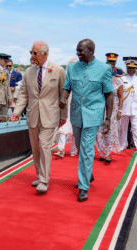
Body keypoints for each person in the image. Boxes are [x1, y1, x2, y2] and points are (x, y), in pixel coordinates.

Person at [59, 39, 114, 202]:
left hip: (94, 114)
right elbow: (67, 86)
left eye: (81, 51)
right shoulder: (73, 67)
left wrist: (108, 118)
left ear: (90, 51)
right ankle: (88, 174)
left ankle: (83, 187)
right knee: (81, 148)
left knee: (87, 148)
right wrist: (63, 98)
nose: (78, 53)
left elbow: (109, 94)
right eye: (77, 50)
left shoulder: (104, 69)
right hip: (76, 113)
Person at [11, 41, 67, 194]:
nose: (32, 56)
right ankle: (39, 174)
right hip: (33, 115)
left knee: (44, 145)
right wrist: (16, 111)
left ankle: (44, 180)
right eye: (31, 52)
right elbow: (23, 94)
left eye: (35, 53)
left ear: (44, 54)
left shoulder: (58, 70)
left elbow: (64, 95)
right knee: (35, 148)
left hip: (50, 116)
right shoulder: (29, 71)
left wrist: (64, 115)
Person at [95, 56, 124, 163]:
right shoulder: (99, 80)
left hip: (113, 108)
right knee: (100, 131)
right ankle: (102, 152)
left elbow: (121, 97)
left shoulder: (118, 81)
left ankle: (108, 153)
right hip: (100, 108)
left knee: (110, 131)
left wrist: (120, 110)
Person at [53, 57, 79, 158]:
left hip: (77, 105)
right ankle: (61, 149)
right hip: (66, 105)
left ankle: (74, 150)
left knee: (76, 128)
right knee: (63, 126)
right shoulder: (65, 76)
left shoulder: (82, 77)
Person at [119, 57, 137, 151]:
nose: (131, 70)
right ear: (126, 68)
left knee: (136, 128)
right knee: (123, 129)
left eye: (133, 68)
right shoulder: (122, 79)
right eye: (129, 68)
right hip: (124, 107)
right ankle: (122, 145)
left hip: (135, 108)